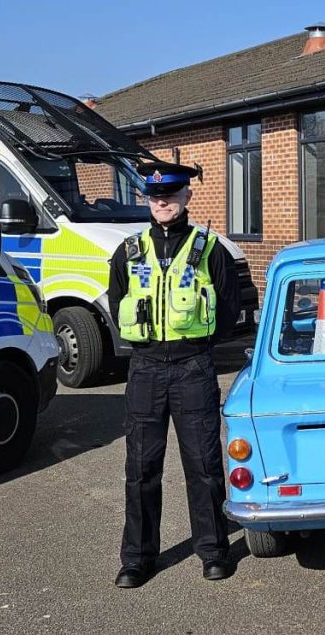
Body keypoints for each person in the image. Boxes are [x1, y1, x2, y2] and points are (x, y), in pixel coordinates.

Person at [108, 160, 240, 588]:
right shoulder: (129, 251)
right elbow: (117, 303)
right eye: (154, 196)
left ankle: (213, 551)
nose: (161, 202)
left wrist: (195, 346)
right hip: (145, 368)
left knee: (203, 465)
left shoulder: (209, 248)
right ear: (147, 199)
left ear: (187, 196)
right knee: (141, 467)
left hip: (192, 367)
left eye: (170, 194)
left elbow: (228, 309)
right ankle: (137, 558)